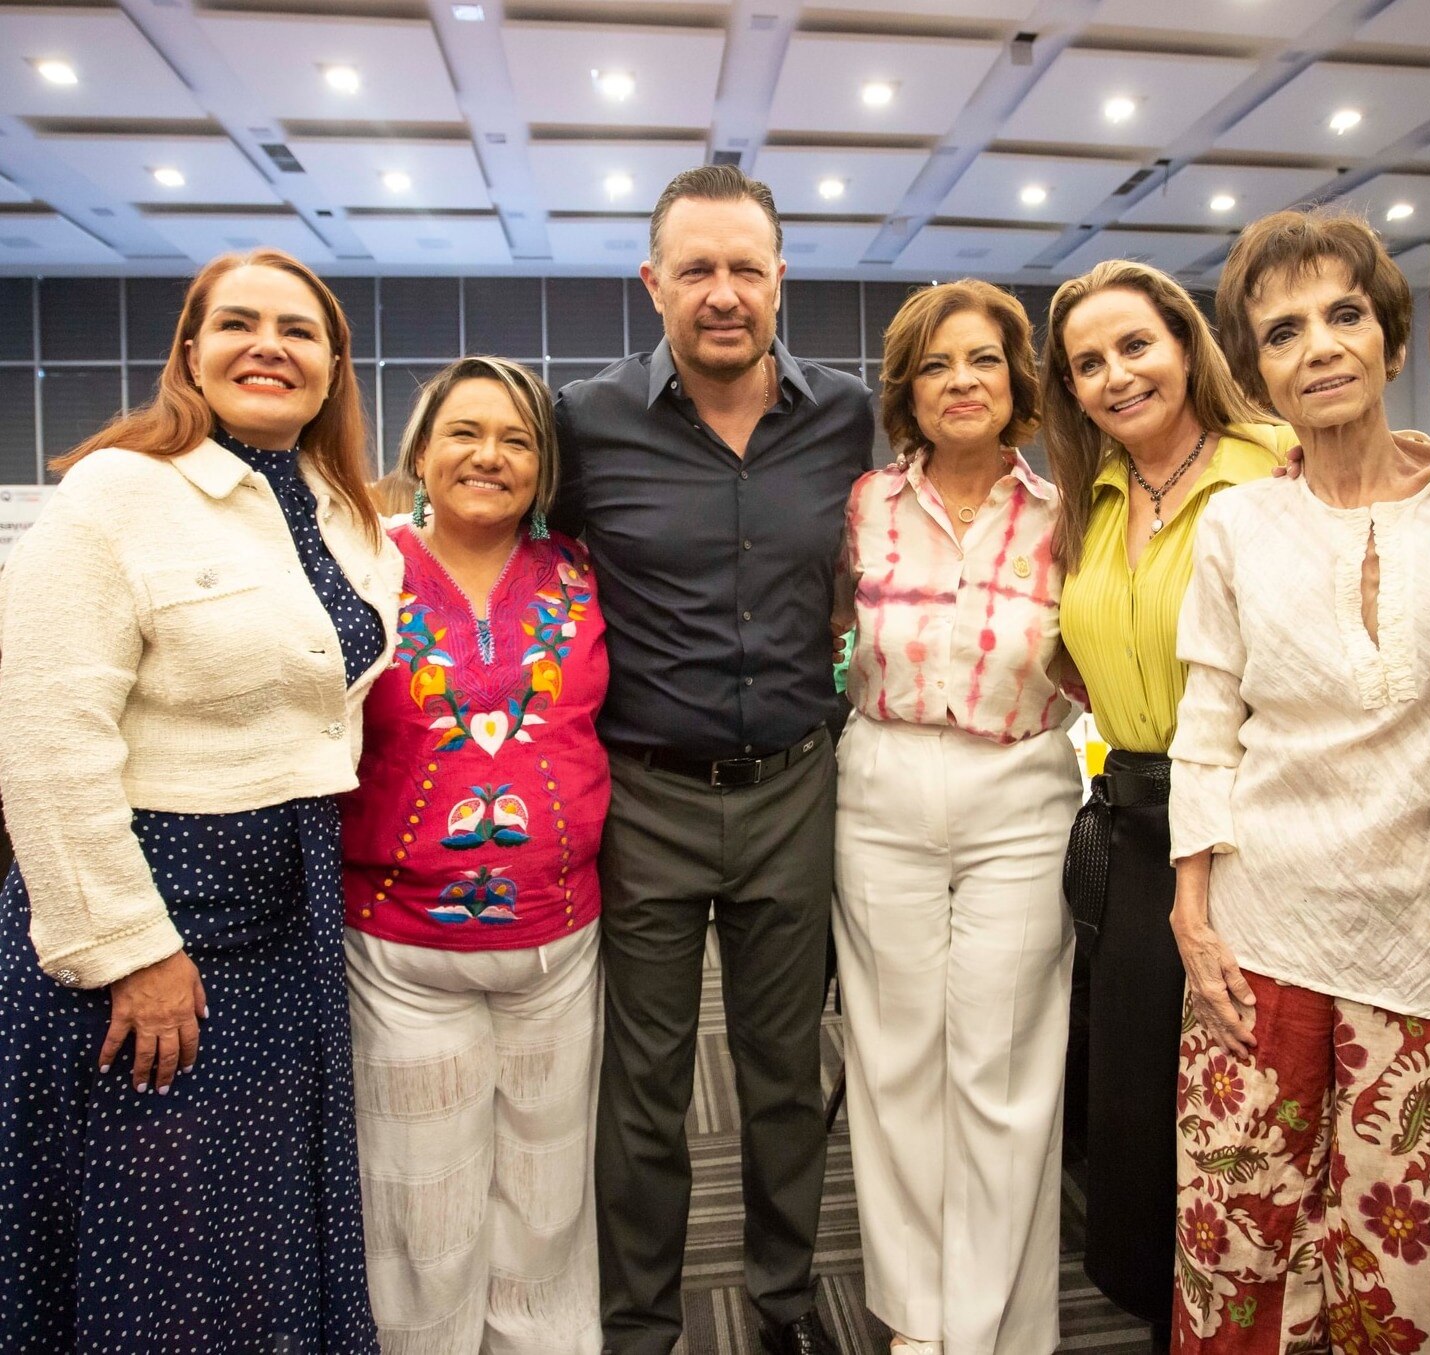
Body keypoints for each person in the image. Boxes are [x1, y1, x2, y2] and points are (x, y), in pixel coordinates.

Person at [0, 248, 399, 1350]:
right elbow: (45, 737)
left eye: (299, 330)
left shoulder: (341, 512)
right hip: (152, 915)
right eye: (237, 323)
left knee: (258, 1224)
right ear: (190, 351)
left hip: (288, 916)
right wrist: (130, 948)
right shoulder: (117, 492)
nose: (268, 346)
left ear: (333, 368)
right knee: (160, 1232)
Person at [1165, 211, 1430, 1352]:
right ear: (1257, 372)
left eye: (1344, 315)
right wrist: (1192, 904)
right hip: (1259, 937)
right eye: (1282, 332)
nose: (1318, 346)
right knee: (1241, 1236)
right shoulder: (1239, 522)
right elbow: (1207, 724)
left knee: (1403, 1254)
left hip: (1427, 940)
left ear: (1393, 340)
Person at [553, 164, 873, 1355]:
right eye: (697, 269)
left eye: (746, 267)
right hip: (644, 794)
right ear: (654, 282)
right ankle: (639, 1322)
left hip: (795, 783)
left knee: (785, 1073)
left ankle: (784, 1302)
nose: (723, 292)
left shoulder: (847, 415)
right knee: (644, 1085)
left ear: (781, 277)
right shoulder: (584, 422)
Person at [1042, 260, 1297, 1349]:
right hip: (1134, 824)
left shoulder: (1273, 464)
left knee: (1248, 1104)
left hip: (1250, 826)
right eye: (1088, 362)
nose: (1116, 375)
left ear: (1187, 345)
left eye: (1136, 345)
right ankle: (1168, 1320)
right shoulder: (1089, 496)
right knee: (1141, 1109)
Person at [340, 356, 609, 1352]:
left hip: (561, 946)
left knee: (547, 1192)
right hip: (402, 954)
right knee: (425, 1202)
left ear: (543, 468)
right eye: (464, 432)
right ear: (419, 453)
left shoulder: (583, 571)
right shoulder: (363, 567)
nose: (490, 455)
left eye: (517, 439)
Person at [834, 279, 1081, 1355]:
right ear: (907, 390)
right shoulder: (863, 504)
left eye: (982, 359)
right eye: (935, 364)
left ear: (1018, 380)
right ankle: (917, 1320)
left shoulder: (1067, 510)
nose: (961, 381)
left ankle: (990, 1326)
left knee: (1002, 1062)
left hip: (1019, 785)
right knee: (894, 1061)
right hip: (881, 780)